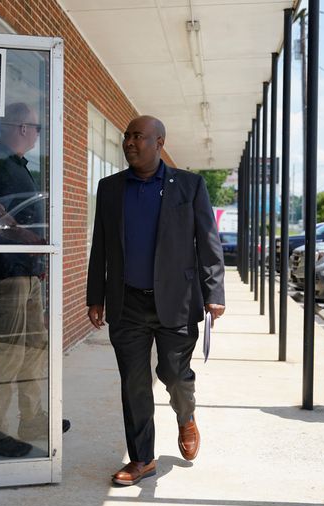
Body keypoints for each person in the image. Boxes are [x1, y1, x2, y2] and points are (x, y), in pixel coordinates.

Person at [86, 115, 226, 485]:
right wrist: (95, 296)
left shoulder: (190, 186)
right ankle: (142, 459)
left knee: (175, 374)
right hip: (126, 302)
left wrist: (214, 293)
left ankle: (186, 417)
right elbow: (100, 245)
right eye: (126, 137)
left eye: (138, 137)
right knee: (133, 383)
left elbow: (208, 243)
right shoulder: (111, 188)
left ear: (159, 142)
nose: (129, 142)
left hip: (176, 300)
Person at [0, 102, 69, 458]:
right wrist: (33, 240)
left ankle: (32, 418)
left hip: (27, 273)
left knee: (34, 347)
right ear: (22, 128)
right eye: (36, 128)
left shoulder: (17, 166)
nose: (38, 134)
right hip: (5, 274)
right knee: (8, 353)